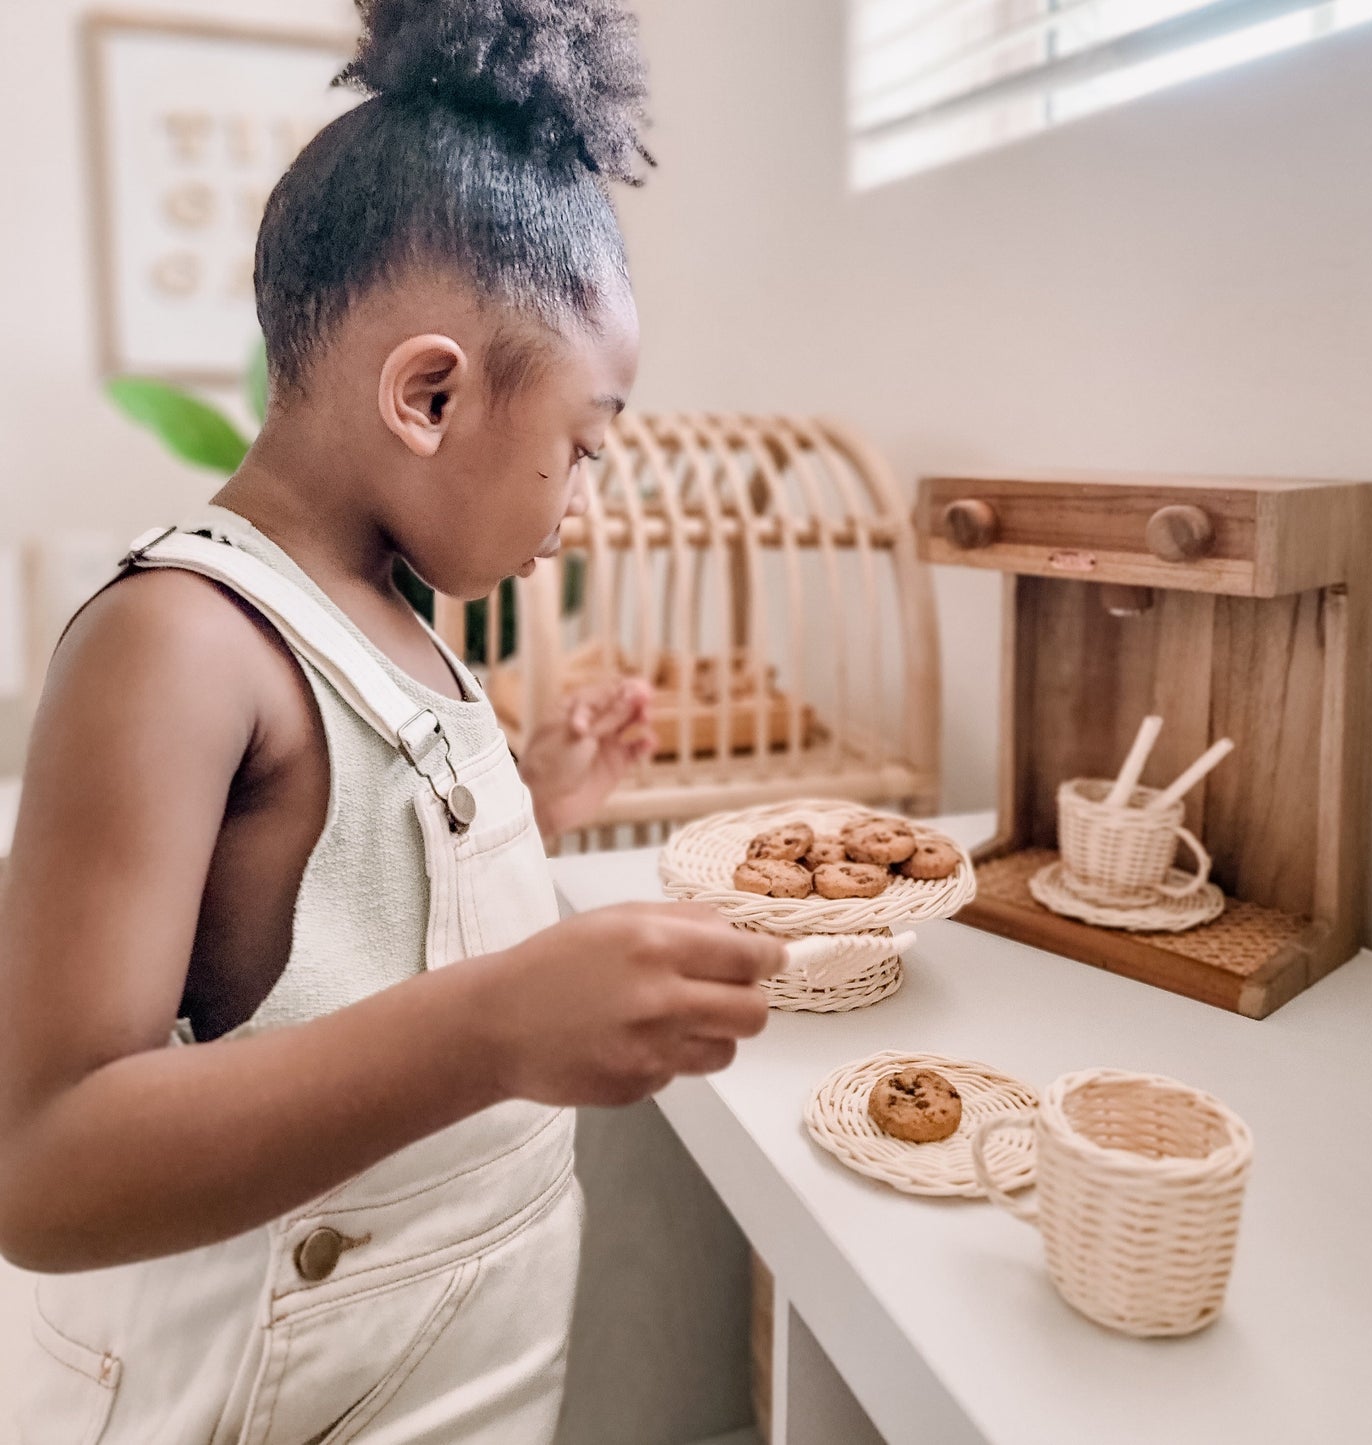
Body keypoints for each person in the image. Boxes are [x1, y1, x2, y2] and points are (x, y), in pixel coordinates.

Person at [0, 2, 781, 1440]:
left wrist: (530, 805)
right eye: (584, 447)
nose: (586, 501)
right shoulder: (177, 640)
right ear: (428, 394)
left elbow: (333, 921)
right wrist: (490, 1029)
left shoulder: (404, 617)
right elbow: (40, 1168)